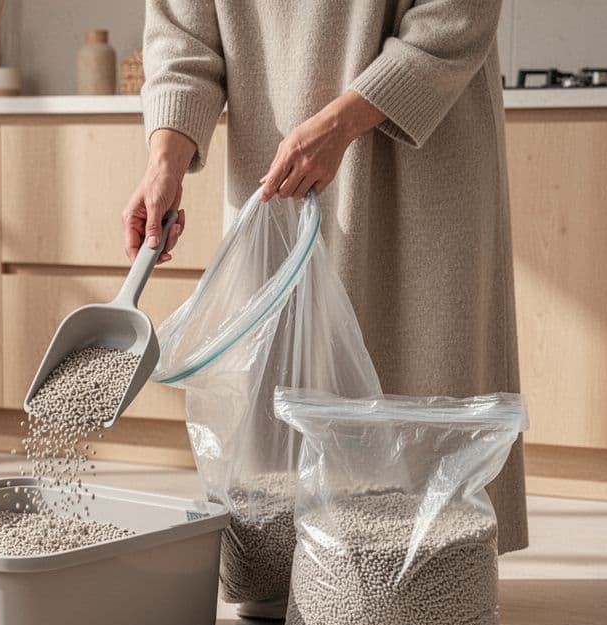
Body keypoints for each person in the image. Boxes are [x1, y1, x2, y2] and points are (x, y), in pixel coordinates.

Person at [125, 0, 527, 553]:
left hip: (416, 150)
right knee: (284, 383)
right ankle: (292, 572)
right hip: (273, 170)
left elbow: (457, 12)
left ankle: (430, 573)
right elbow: (181, 39)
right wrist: (164, 159)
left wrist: (343, 121)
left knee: (419, 367)